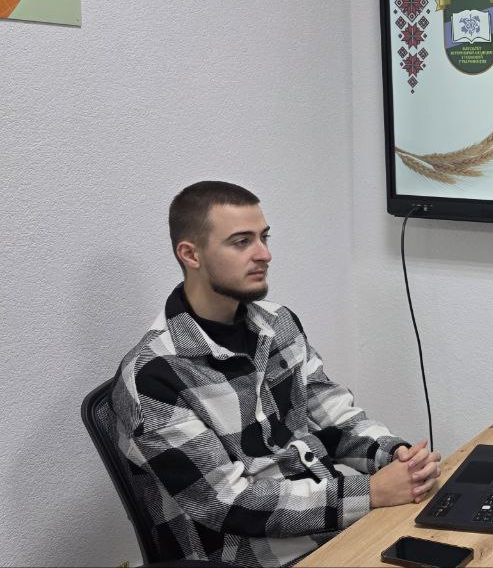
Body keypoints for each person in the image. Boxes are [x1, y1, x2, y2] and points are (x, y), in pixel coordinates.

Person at [112, 181, 441, 567]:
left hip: (330, 521)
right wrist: (370, 492)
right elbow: (229, 504)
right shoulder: (153, 376)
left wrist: (395, 456)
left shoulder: (276, 323)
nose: (264, 254)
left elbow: (333, 416)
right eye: (241, 242)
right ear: (191, 254)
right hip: (250, 555)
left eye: (264, 238)